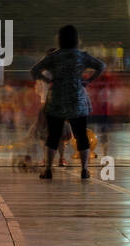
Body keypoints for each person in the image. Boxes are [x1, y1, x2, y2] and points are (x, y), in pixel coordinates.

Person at [29, 25, 105, 180]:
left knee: (53, 135)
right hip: (77, 99)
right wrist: (88, 80)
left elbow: (34, 70)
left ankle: (48, 170)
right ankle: (84, 170)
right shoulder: (81, 56)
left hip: (56, 99)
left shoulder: (54, 56)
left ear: (60, 39)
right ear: (76, 39)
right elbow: (101, 66)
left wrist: (48, 80)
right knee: (81, 135)